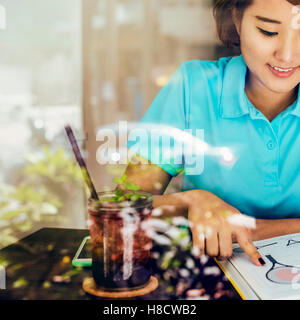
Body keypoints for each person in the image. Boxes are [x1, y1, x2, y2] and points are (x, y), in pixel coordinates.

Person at [123, 0, 300, 266]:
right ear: (237, 21)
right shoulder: (192, 87)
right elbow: (124, 206)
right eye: (268, 31)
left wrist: (253, 229)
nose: (287, 55)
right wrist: (190, 202)